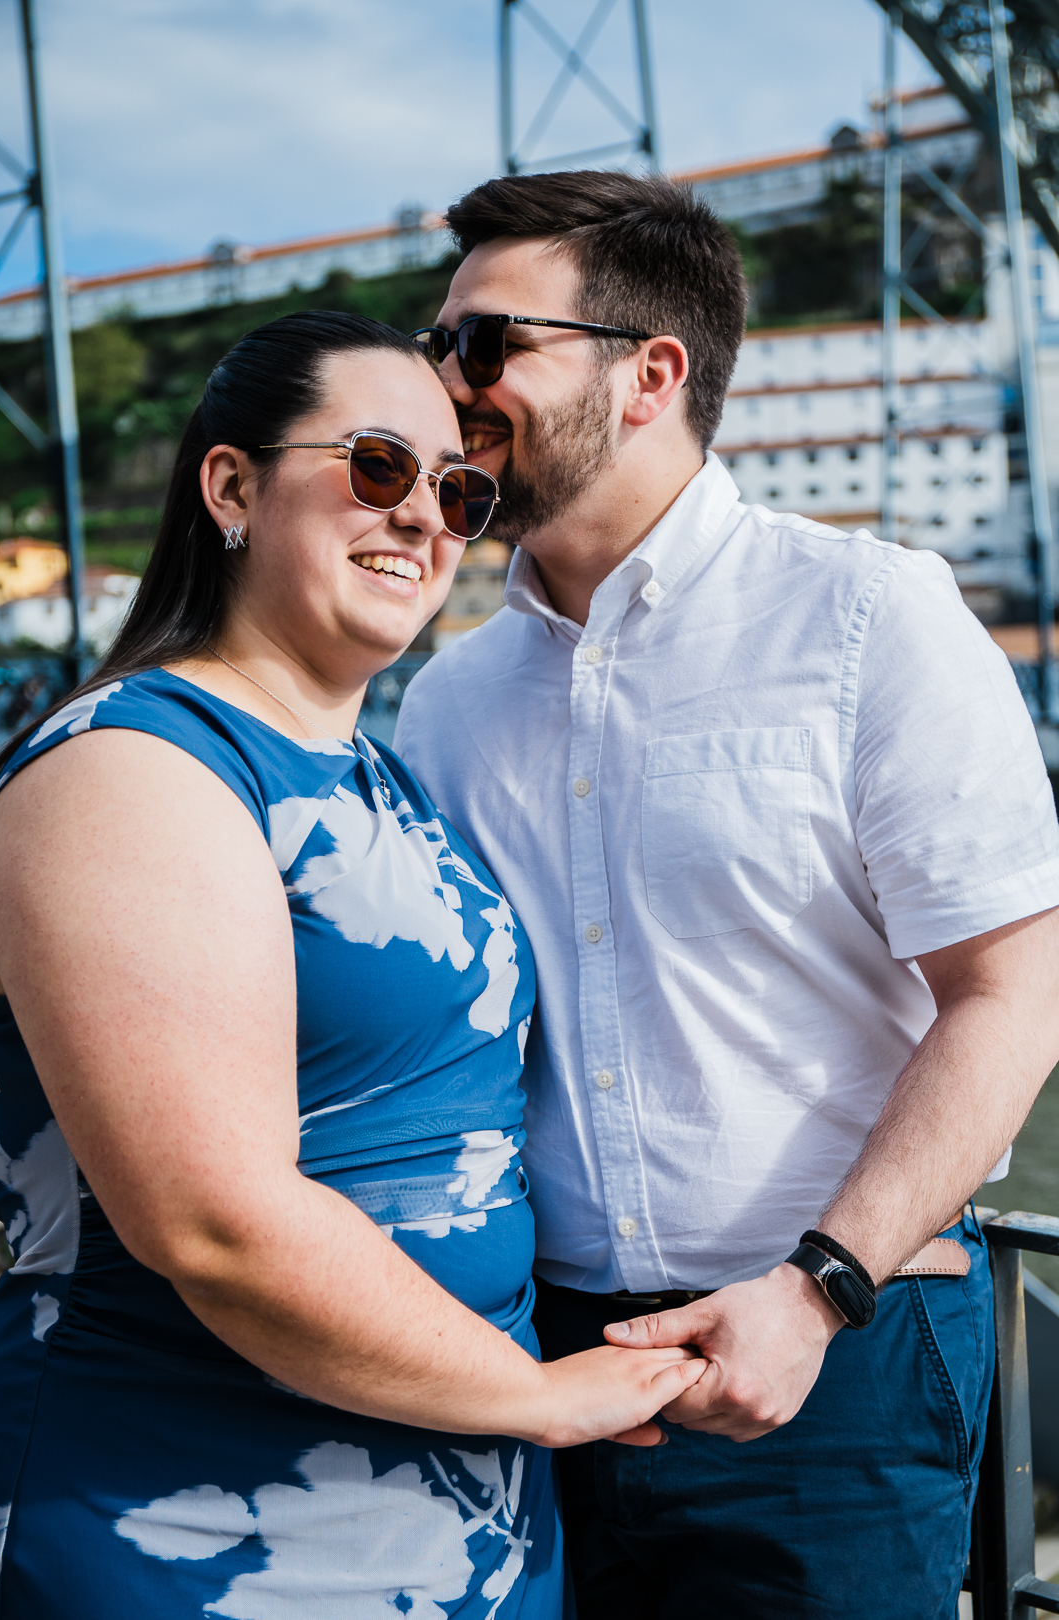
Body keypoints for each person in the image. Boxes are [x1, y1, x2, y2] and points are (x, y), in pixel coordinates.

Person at [394, 172, 1059, 1619]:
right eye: (437, 345)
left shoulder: (871, 615)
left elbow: (1017, 995)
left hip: (841, 1347)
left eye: (487, 342)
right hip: (535, 1356)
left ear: (653, 373)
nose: (447, 383)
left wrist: (818, 1287)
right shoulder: (446, 701)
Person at [0, 310, 705, 1619]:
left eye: (460, 488)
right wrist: (541, 1396)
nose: (427, 516)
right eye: (378, 465)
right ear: (231, 486)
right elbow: (214, 1224)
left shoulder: (387, 779)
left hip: (459, 1526)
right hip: (190, 1522)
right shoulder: (134, 771)